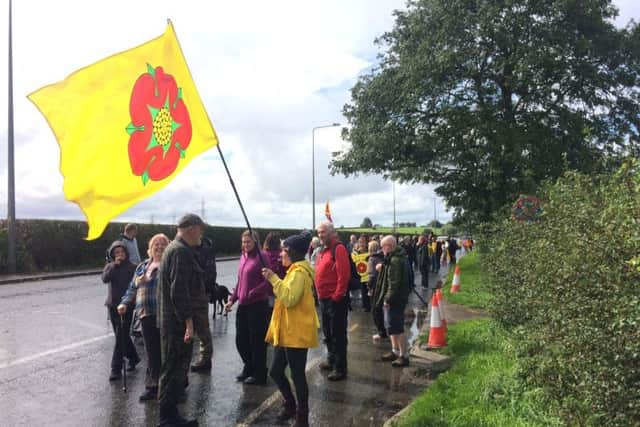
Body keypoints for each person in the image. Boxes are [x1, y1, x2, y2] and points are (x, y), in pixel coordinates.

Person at [261, 231, 319, 427]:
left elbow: (289, 299)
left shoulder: (298, 273)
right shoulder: (294, 270)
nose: (280, 254)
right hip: (287, 331)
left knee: (297, 375)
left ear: (293, 252)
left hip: (296, 333)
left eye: (284, 250)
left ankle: (302, 417)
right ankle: (291, 405)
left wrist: (273, 278)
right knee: (276, 371)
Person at [157, 214, 206, 427]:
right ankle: (167, 418)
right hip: (176, 323)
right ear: (192, 229)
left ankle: (170, 415)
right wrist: (188, 322)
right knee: (173, 368)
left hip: (172, 320)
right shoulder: (180, 252)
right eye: (200, 230)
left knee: (172, 367)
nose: (201, 235)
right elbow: (179, 291)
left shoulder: (175, 249)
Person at [117, 233, 170, 402]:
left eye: (163, 244)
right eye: (156, 244)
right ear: (150, 248)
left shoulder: (169, 265)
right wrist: (124, 303)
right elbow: (132, 288)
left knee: (167, 352)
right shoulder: (142, 266)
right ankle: (152, 387)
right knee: (152, 352)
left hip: (166, 314)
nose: (159, 247)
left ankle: (173, 387)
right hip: (146, 314)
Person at [224, 230, 272, 385]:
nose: (245, 245)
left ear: (256, 242)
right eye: (243, 242)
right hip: (243, 306)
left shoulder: (262, 257)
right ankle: (249, 366)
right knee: (241, 340)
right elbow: (240, 281)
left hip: (257, 305)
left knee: (257, 341)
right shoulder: (243, 256)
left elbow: (269, 281)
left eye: (248, 242)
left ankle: (260, 373)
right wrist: (232, 300)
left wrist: (253, 292)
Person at [314, 221, 350, 381]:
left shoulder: (338, 249)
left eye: (323, 232)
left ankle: (340, 368)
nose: (320, 235)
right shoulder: (324, 250)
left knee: (338, 335)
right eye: (319, 233)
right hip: (323, 299)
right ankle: (331, 359)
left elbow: (344, 275)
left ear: (331, 232)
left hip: (334, 300)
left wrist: (337, 295)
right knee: (328, 333)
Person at [102, 240, 140, 382]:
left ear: (126, 253)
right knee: (121, 336)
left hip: (126, 306)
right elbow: (105, 279)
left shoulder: (133, 268)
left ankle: (115, 368)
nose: (120, 255)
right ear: (113, 255)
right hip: (112, 306)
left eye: (122, 252)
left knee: (120, 336)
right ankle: (134, 357)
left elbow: (136, 286)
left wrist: (134, 301)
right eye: (117, 253)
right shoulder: (110, 267)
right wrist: (113, 266)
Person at [376, 235, 411, 367]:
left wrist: (387, 299)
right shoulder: (394, 257)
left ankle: (403, 355)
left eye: (383, 246)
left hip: (396, 299)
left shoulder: (395, 260)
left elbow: (394, 283)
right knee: (390, 326)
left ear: (388, 246)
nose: (381, 249)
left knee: (396, 326)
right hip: (397, 297)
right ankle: (395, 351)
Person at [191, 235, 216, 373]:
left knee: (202, 328)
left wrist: (202, 288)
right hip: (188, 292)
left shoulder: (205, 250)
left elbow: (210, 273)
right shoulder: (187, 248)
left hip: (200, 293)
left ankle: (206, 359)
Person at [367, 240, 387, 340]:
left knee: (375, 311)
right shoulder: (382, 257)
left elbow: (371, 275)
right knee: (379, 310)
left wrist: (369, 287)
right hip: (382, 286)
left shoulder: (372, 259)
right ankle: (382, 331)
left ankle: (381, 332)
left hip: (375, 287)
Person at [351, 241, 371, 312]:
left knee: (368, 291)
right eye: (360, 245)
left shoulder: (369, 254)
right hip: (360, 275)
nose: (361, 247)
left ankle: (369, 305)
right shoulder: (356, 254)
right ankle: (365, 305)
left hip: (367, 276)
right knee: (363, 291)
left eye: (363, 245)